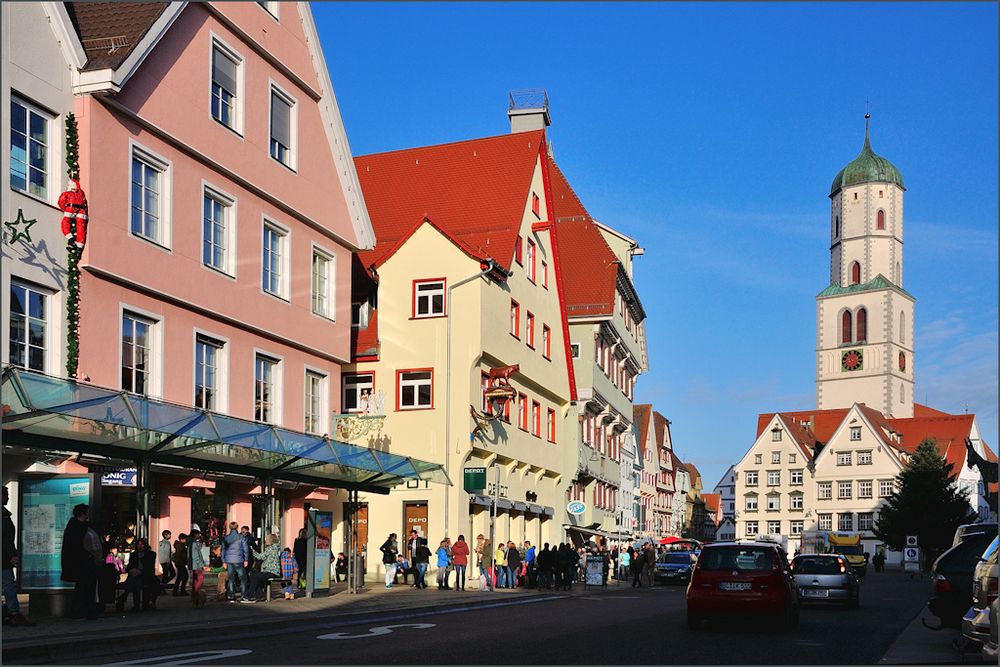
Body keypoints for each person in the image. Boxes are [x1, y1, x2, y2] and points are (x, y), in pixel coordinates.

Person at [61, 503, 102, 619]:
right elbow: (77, 545)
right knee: (84, 586)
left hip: (87, 562)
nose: (89, 514)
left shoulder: (84, 525)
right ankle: (82, 610)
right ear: (83, 513)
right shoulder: (76, 526)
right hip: (81, 562)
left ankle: (85, 609)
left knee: (86, 586)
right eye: (87, 512)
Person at [2, 486, 34, 626]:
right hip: (3, 558)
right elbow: (5, 538)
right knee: (9, 585)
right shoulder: (3, 515)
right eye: (6, 495)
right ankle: (13, 613)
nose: (8, 498)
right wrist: (12, 555)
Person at [117, 537, 158, 612]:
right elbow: (129, 567)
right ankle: (137, 604)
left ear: (145, 545)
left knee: (136, 581)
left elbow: (150, 567)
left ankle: (127, 600)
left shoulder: (151, 554)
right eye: (138, 544)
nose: (140, 546)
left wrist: (140, 571)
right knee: (135, 580)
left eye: (142, 544)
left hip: (146, 576)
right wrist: (132, 570)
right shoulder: (133, 555)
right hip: (134, 575)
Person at [245, 533, 282, 602]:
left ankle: (248, 596)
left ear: (271, 540)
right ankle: (260, 595)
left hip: (271, 571)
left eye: (267, 539)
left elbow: (260, 557)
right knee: (254, 575)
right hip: (271, 571)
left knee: (255, 576)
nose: (265, 540)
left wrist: (252, 551)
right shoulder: (274, 548)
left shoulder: (271, 548)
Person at [222, 521, 249, 602]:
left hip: (229, 560)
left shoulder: (226, 538)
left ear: (230, 528)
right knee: (243, 578)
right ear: (237, 527)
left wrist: (223, 561)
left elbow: (223, 550)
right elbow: (246, 549)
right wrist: (246, 559)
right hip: (239, 560)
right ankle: (243, 596)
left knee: (231, 579)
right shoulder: (241, 537)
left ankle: (232, 596)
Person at [189, 529, 207, 608]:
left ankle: (195, 599)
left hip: (195, 565)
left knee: (196, 581)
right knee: (199, 579)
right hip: (196, 565)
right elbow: (196, 556)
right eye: (198, 534)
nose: (199, 536)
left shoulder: (194, 543)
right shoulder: (194, 544)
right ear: (195, 534)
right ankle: (196, 595)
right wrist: (201, 564)